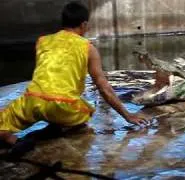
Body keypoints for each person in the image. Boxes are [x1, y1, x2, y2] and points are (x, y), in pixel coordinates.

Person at [0, 1, 150, 147]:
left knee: (2, 122)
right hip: (62, 106)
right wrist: (127, 115)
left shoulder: (42, 41)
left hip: (32, 100)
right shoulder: (88, 48)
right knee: (86, 111)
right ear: (84, 24)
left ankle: (13, 140)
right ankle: (58, 127)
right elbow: (103, 87)